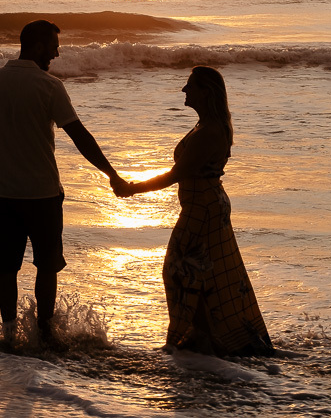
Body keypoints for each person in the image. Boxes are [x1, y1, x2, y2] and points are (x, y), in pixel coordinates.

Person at [0, 19, 126, 348]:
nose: (56, 52)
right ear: (36, 46)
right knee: (47, 266)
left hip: (2, 192)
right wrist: (111, 174)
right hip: (42, 194)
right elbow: (79, 135)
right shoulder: (48, 85)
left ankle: (8, 336)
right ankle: (47, 333)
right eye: (52, 46)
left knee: (6, 268)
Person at [114, 66, 273, 356]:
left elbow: (178, 173)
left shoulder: (210, 131)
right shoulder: (207, 126)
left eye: (190, 86)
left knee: (178, 270)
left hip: (203, 208)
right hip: (206, 205)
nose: (184, 91)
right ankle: (204, 338)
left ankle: (197, 338)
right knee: (205, 274)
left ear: (206, 92)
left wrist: (133, 188)